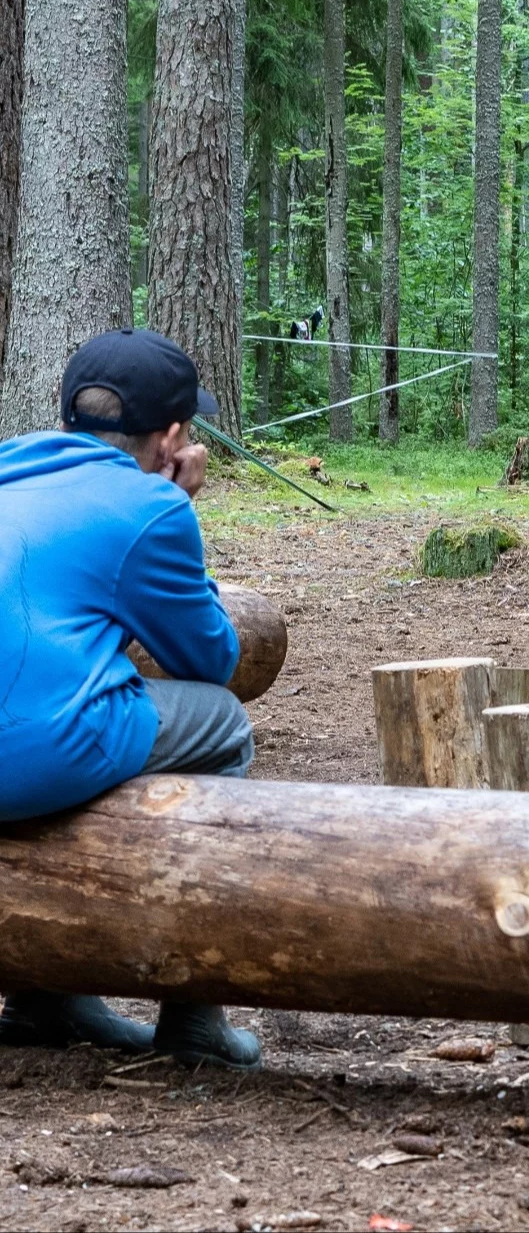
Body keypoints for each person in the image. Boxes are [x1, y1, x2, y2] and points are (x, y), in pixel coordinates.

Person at [0, 327, 261, 1067]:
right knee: (222, 724)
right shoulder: (151, 505)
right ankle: (195, 1013)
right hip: (30, 754)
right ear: (173, 436)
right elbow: (211, 657)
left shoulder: (10, 469)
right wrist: (175, 503)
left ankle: (44, 996)